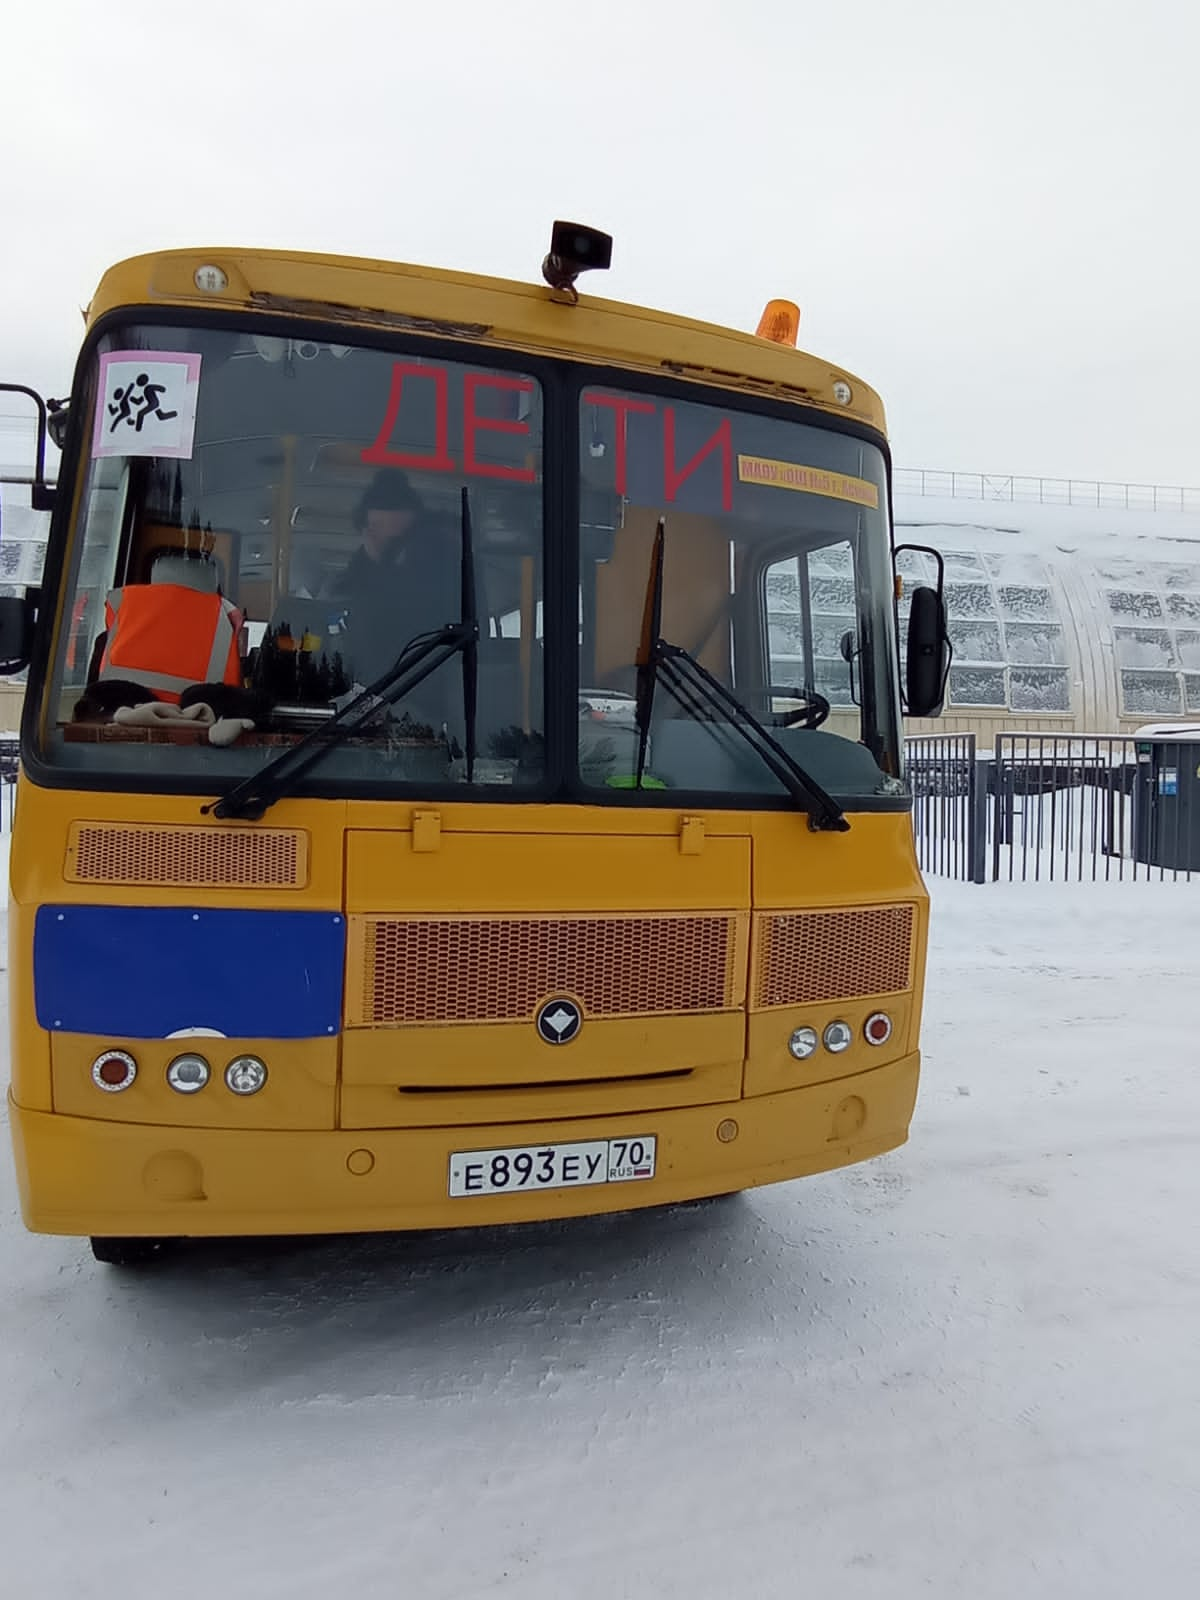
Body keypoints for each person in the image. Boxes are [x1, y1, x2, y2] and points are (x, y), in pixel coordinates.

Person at [329, 468, 460, 725]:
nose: (379, 538)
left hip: (429, 705)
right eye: (374, 528)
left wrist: (379, 565)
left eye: (395, 535)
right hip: (367, 701)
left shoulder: (440, 568)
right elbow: (355, 636)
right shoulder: (356, 577)